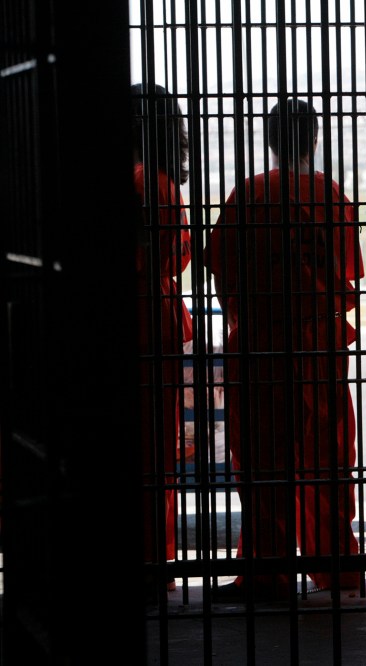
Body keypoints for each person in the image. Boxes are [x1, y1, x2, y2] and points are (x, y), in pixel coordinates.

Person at [208, 98, 363, 600]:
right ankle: (336, 565)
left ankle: (267, 572)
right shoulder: (333, 196)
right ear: (314, 140)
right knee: (327, 457)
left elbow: (222, 272)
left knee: (262, 461)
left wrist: (239, 315)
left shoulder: (248, 195)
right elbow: (349, 271)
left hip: (261, 341)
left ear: (270, 141)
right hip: (320, 341)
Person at [132, 83, 193, 597]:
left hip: (137, 314)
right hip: (158, 318)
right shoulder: (161, 184)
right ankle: (154, 558)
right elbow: (178, 254)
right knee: (156, 452)